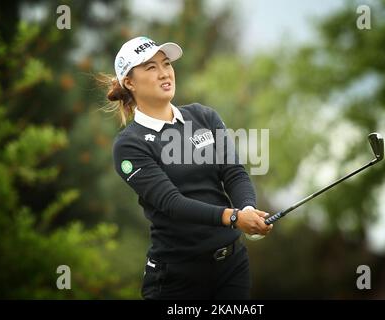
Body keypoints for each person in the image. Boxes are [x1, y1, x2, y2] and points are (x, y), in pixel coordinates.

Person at [106, 36, 272, 300]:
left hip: (232, 267)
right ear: (130, 82)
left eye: (166, 64)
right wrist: (234, 217)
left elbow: (234, 172)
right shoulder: (129, 145)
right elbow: (173, 203)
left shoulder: (204, 116)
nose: (164, 73)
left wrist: (248, 208)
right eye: (151, 68)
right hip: (176, 280)